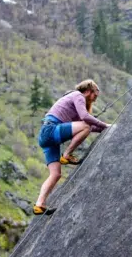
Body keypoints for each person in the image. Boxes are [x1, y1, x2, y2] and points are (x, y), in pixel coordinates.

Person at [33, 79, 109, 215]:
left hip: (46, 137)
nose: (95, 99)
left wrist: (104, 128)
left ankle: (40, 204)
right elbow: (85, 119)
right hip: (51, 130)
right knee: (85, 125)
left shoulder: (72, 103)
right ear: (87, 91)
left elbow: (88, 127)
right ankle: (67, 155)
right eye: (94, 96)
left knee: (55, 174)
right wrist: (104, 125)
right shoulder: (77, 95)